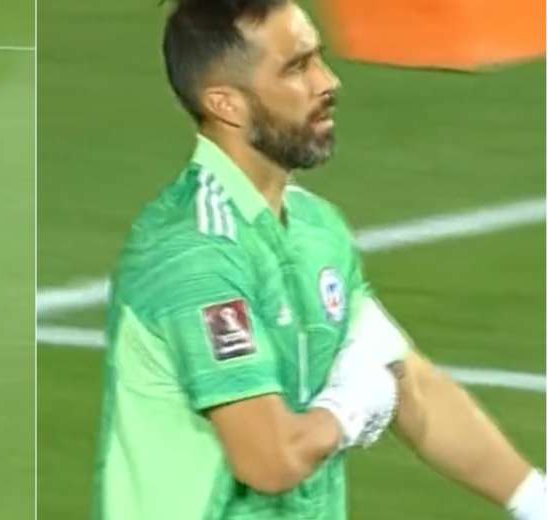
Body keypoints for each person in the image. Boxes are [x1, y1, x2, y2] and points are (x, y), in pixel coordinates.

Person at [92, 1, 545, 519]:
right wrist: (346, 411)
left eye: (318, 59)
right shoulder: (195, 255)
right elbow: (269, 460)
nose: (328, 82)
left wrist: (535, 498)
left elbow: (410, 385)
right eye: (296, 68)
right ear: (226, 104)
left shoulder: (314, 228)